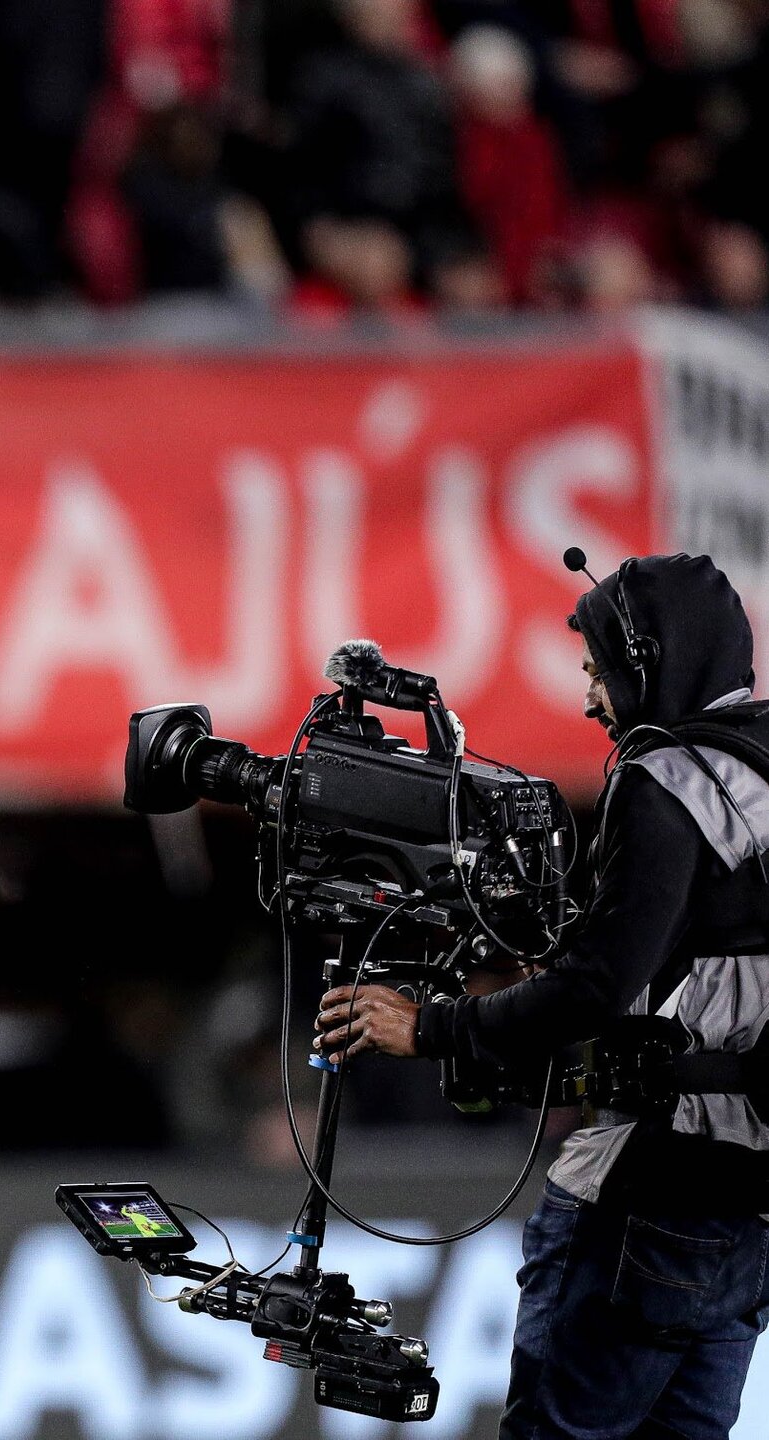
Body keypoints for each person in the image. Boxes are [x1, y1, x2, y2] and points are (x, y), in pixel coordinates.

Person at [316, 553, 769, 1439]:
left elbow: (597, 987)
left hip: (651, 1194)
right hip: (747, 1216)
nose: (589, 700)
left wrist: (435, 1027)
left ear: (649, 660)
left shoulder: (667, 777)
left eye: (599, 671)